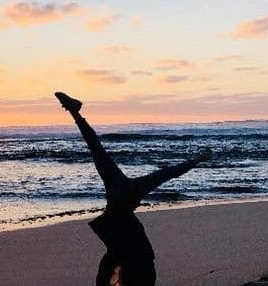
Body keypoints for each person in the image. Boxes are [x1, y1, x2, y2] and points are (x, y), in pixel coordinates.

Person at [54, 92, 211, 286]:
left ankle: (74, 111)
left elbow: (171, 172)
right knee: (99, 152)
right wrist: (197, 160)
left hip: (122, 228)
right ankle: (74, 111)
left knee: (97, 151)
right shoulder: (133, 193)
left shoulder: (128, 193)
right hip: (125, 229)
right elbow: (172, 172)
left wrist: (197, 160)